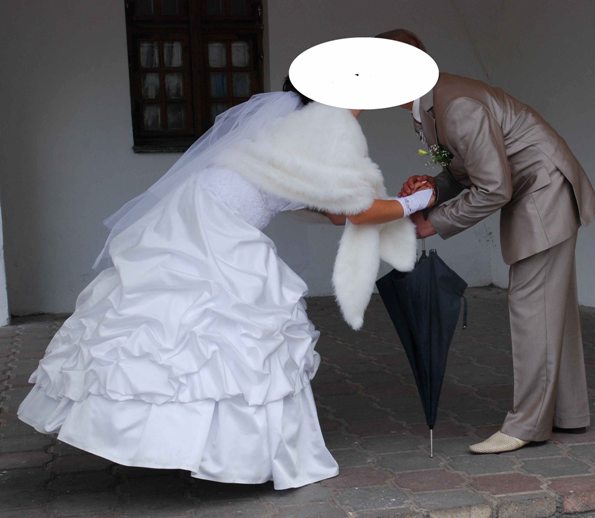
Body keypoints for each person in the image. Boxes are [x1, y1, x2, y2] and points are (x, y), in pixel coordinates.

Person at [16, 78, 434, 488]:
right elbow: (357, 211)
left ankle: (167, 440)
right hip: (221, 224)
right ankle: (220, 451)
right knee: (233, 329)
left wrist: (400, 200)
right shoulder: (323, 134)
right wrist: (418, 201)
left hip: (197, 208)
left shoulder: (289, 125)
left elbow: (338, 211)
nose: (360, 105)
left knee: (172, 319)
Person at [378, 29, 595, 453]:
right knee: (551, 308)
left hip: (543, 193)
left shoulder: (457, 106)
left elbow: (494, 187)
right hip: (532, 189)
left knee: (532, 307)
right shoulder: (428, 106)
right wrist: (433, 187)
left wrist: (434, 223)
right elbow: (466, 169)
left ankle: (526, 426)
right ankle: (568, 413)